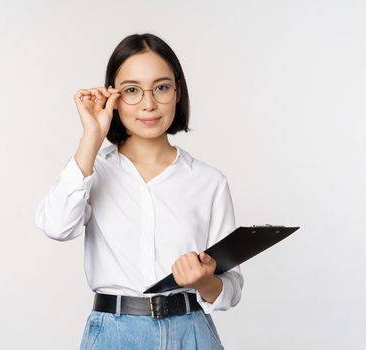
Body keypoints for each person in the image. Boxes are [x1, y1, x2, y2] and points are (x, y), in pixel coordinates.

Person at [35, 33, 242, 350]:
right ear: (113, 97)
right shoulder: (92, 169)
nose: (148, 104)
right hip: (115, 335)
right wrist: (92, 136)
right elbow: (56, 226)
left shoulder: (208, 181)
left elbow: (231, 288)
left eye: (161, 87)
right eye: (131, 90)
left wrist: (203, 281)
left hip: (193, 332)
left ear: (177, 92)